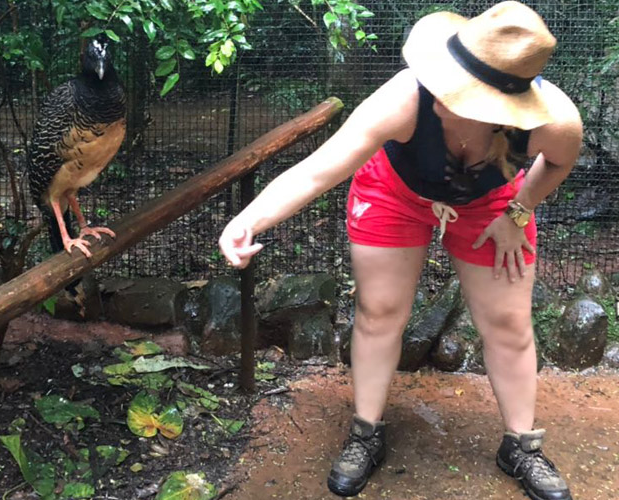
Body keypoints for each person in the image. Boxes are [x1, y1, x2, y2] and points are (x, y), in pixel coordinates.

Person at [218, 2, 583, 499]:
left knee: (508, 322)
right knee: (380, 311)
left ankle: (522, 445)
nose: (438, 88)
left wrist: (518, 213)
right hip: (393, 190)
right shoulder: (404, 98)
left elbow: (558, 162)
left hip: (492, 201)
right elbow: (319, 169)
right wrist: (248, 220)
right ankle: (366, 432)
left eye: (457, 88)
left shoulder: (553, 121)